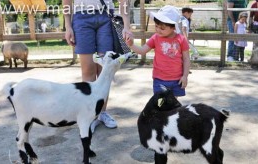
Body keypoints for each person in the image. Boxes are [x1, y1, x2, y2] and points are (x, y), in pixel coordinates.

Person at [63, 0, 131, 132]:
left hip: (105, 16)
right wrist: (68, 26)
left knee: (104, 70)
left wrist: (126, 25)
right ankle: (90, 115)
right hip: (81, 17)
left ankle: (102, 112)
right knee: (88, 69)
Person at [125, 5, 190, 97]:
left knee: (173, 106)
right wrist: (131, 44)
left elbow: (186, 58)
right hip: (159, 79)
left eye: (162, 28)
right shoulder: (155, 38)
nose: (158, 30)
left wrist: (185, 76)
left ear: (173, 27)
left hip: (177, 79)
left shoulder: (181, 39)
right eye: (156, 26)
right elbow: (142, 50)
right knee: (160, 104)